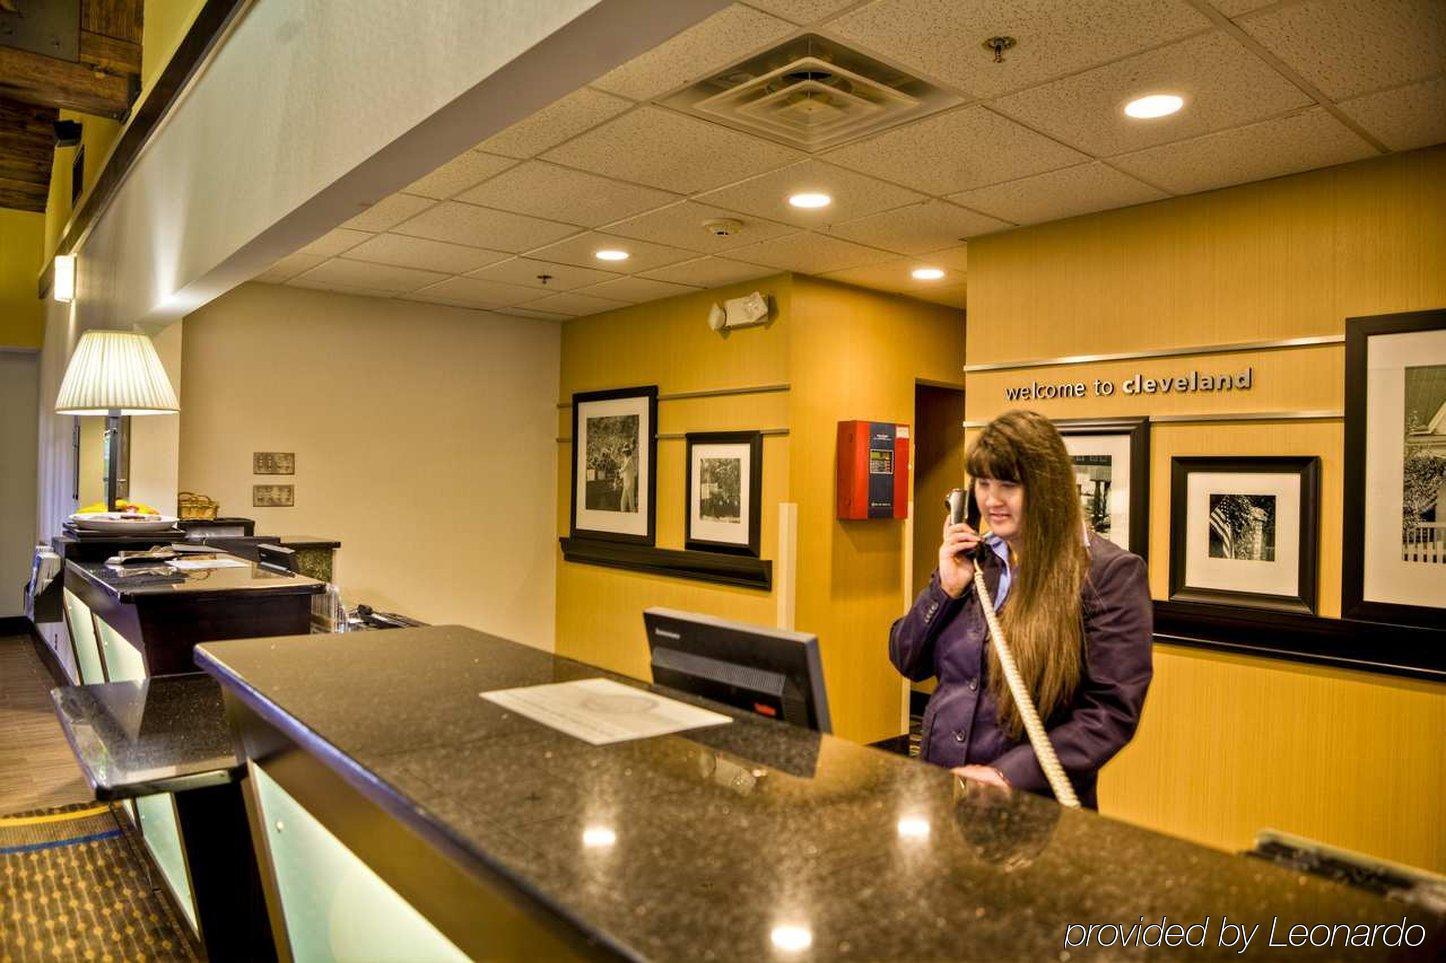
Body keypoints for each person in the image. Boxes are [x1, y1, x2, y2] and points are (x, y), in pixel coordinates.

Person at [889, 410, 1153, 809]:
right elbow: (907, 659)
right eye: (982, 483)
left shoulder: (1107, 573)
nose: (991, 500)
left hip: (1032, 804)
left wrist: (1007, 774)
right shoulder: (975, 561)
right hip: (944, 789)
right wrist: (944, 588)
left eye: (1008, 485)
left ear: (1046, 487)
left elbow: (1109, 713)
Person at [619, 444, 638, 513]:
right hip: (626, 482)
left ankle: (633, 512)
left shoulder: (630, 459)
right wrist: (620, 475)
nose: (624, 453)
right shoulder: (626, 459)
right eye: (624, 452)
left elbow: (625, 468)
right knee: (623, 500)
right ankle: (623, 512)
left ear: (628, 452)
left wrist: (619, 471)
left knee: (631, 499)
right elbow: (624, 470)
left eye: (625, 452)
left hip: (630, 482)